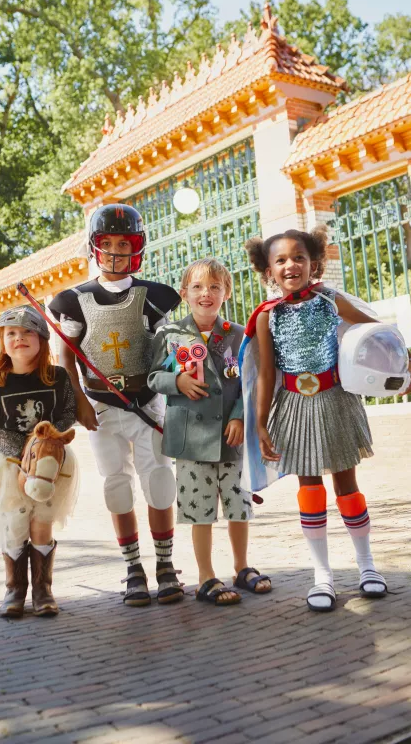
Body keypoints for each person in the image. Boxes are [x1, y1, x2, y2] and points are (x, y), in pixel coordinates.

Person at [245, 227, 411, 612]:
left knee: (347, 486)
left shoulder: (330, 300)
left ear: (314, 262)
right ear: (268, 271)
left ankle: (367, 566)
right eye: (281, 260)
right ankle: (322, 576)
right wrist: (260, 421)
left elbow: (373, 330)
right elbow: (266, 373)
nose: (291, 265)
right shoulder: (265, 317)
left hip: (337, 400)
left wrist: (401, 362)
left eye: (299, 257)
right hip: (293, 405)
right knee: (309, 489)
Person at [49, 203, 184, 607]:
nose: (115, 251)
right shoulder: (74, 301)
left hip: (148, 402)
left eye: (123, 244)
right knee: (117, 486)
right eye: (107, 243)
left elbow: (169, 351)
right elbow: (66, 355)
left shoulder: (154, 297)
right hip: (101, 408)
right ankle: (133, 569)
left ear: (136, 247)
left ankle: (164, 565)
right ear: (95, 246)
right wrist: (78, 402)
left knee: (159, 481)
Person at [148, 258, 272, 605]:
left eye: (215, 287)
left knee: (238, 505)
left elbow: (249, 381)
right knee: (198, 509)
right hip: (190, 440)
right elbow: (153, 377)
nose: (207, 294)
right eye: (199, 287)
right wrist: (177, 380)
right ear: (184, 293)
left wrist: (238, 417)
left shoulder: (238, 335)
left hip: (231, 440)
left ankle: (242, 567)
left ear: (226, 293)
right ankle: (206, 576)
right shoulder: (169, 334)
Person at [0, 306, 78, 617]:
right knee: (15, 521)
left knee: (42, 520)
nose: (19, 338)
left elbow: (67, 412)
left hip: (49, 462)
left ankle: (43, 590)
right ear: (2, 342)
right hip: (9, 463)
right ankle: (15, 589)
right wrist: (20, 448)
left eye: (27, 333)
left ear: (42, 339)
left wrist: (48, 441)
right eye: (11, 334)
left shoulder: (57, 377)